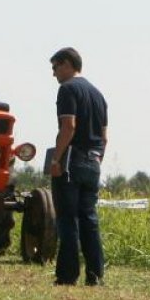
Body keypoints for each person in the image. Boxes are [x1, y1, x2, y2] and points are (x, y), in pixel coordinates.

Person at [49, 47, 108, 286]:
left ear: (67, 64)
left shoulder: (68, 89)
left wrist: (56, 160)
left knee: (67, 218)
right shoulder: (98, 94)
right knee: (89, 219)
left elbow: (69, 127)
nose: (54, 74)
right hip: (93, 160)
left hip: (72, 160)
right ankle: (95, 275)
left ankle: (67, 275)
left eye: (55, 67)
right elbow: (104, 136)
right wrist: (96, 160)